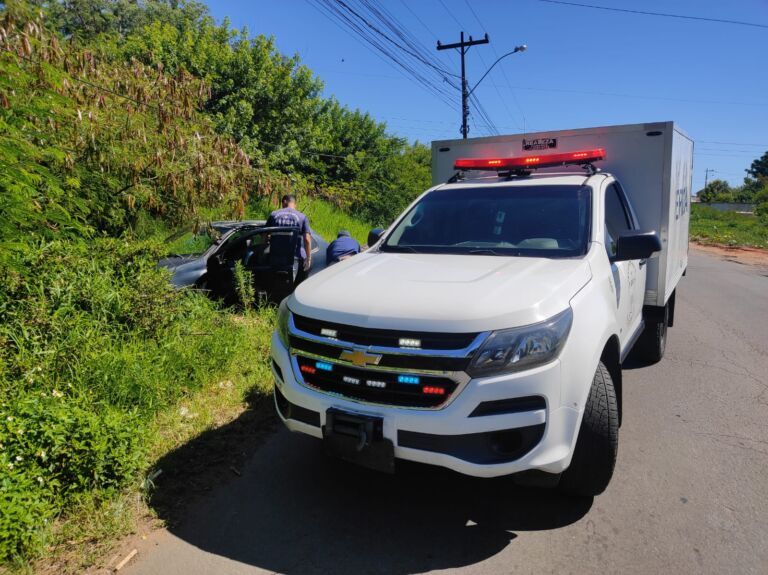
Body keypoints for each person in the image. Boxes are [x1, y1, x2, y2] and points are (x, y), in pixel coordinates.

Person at [266, 194, 313, 284]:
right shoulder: (302, 217)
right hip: (292, 259)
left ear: (284, 202)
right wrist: (308, 258)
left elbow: (264, 236)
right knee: (289, 285)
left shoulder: (273, 214)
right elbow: (307, 239)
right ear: (294, 204)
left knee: (274, 285)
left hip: (275, 258)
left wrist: (262, 252)